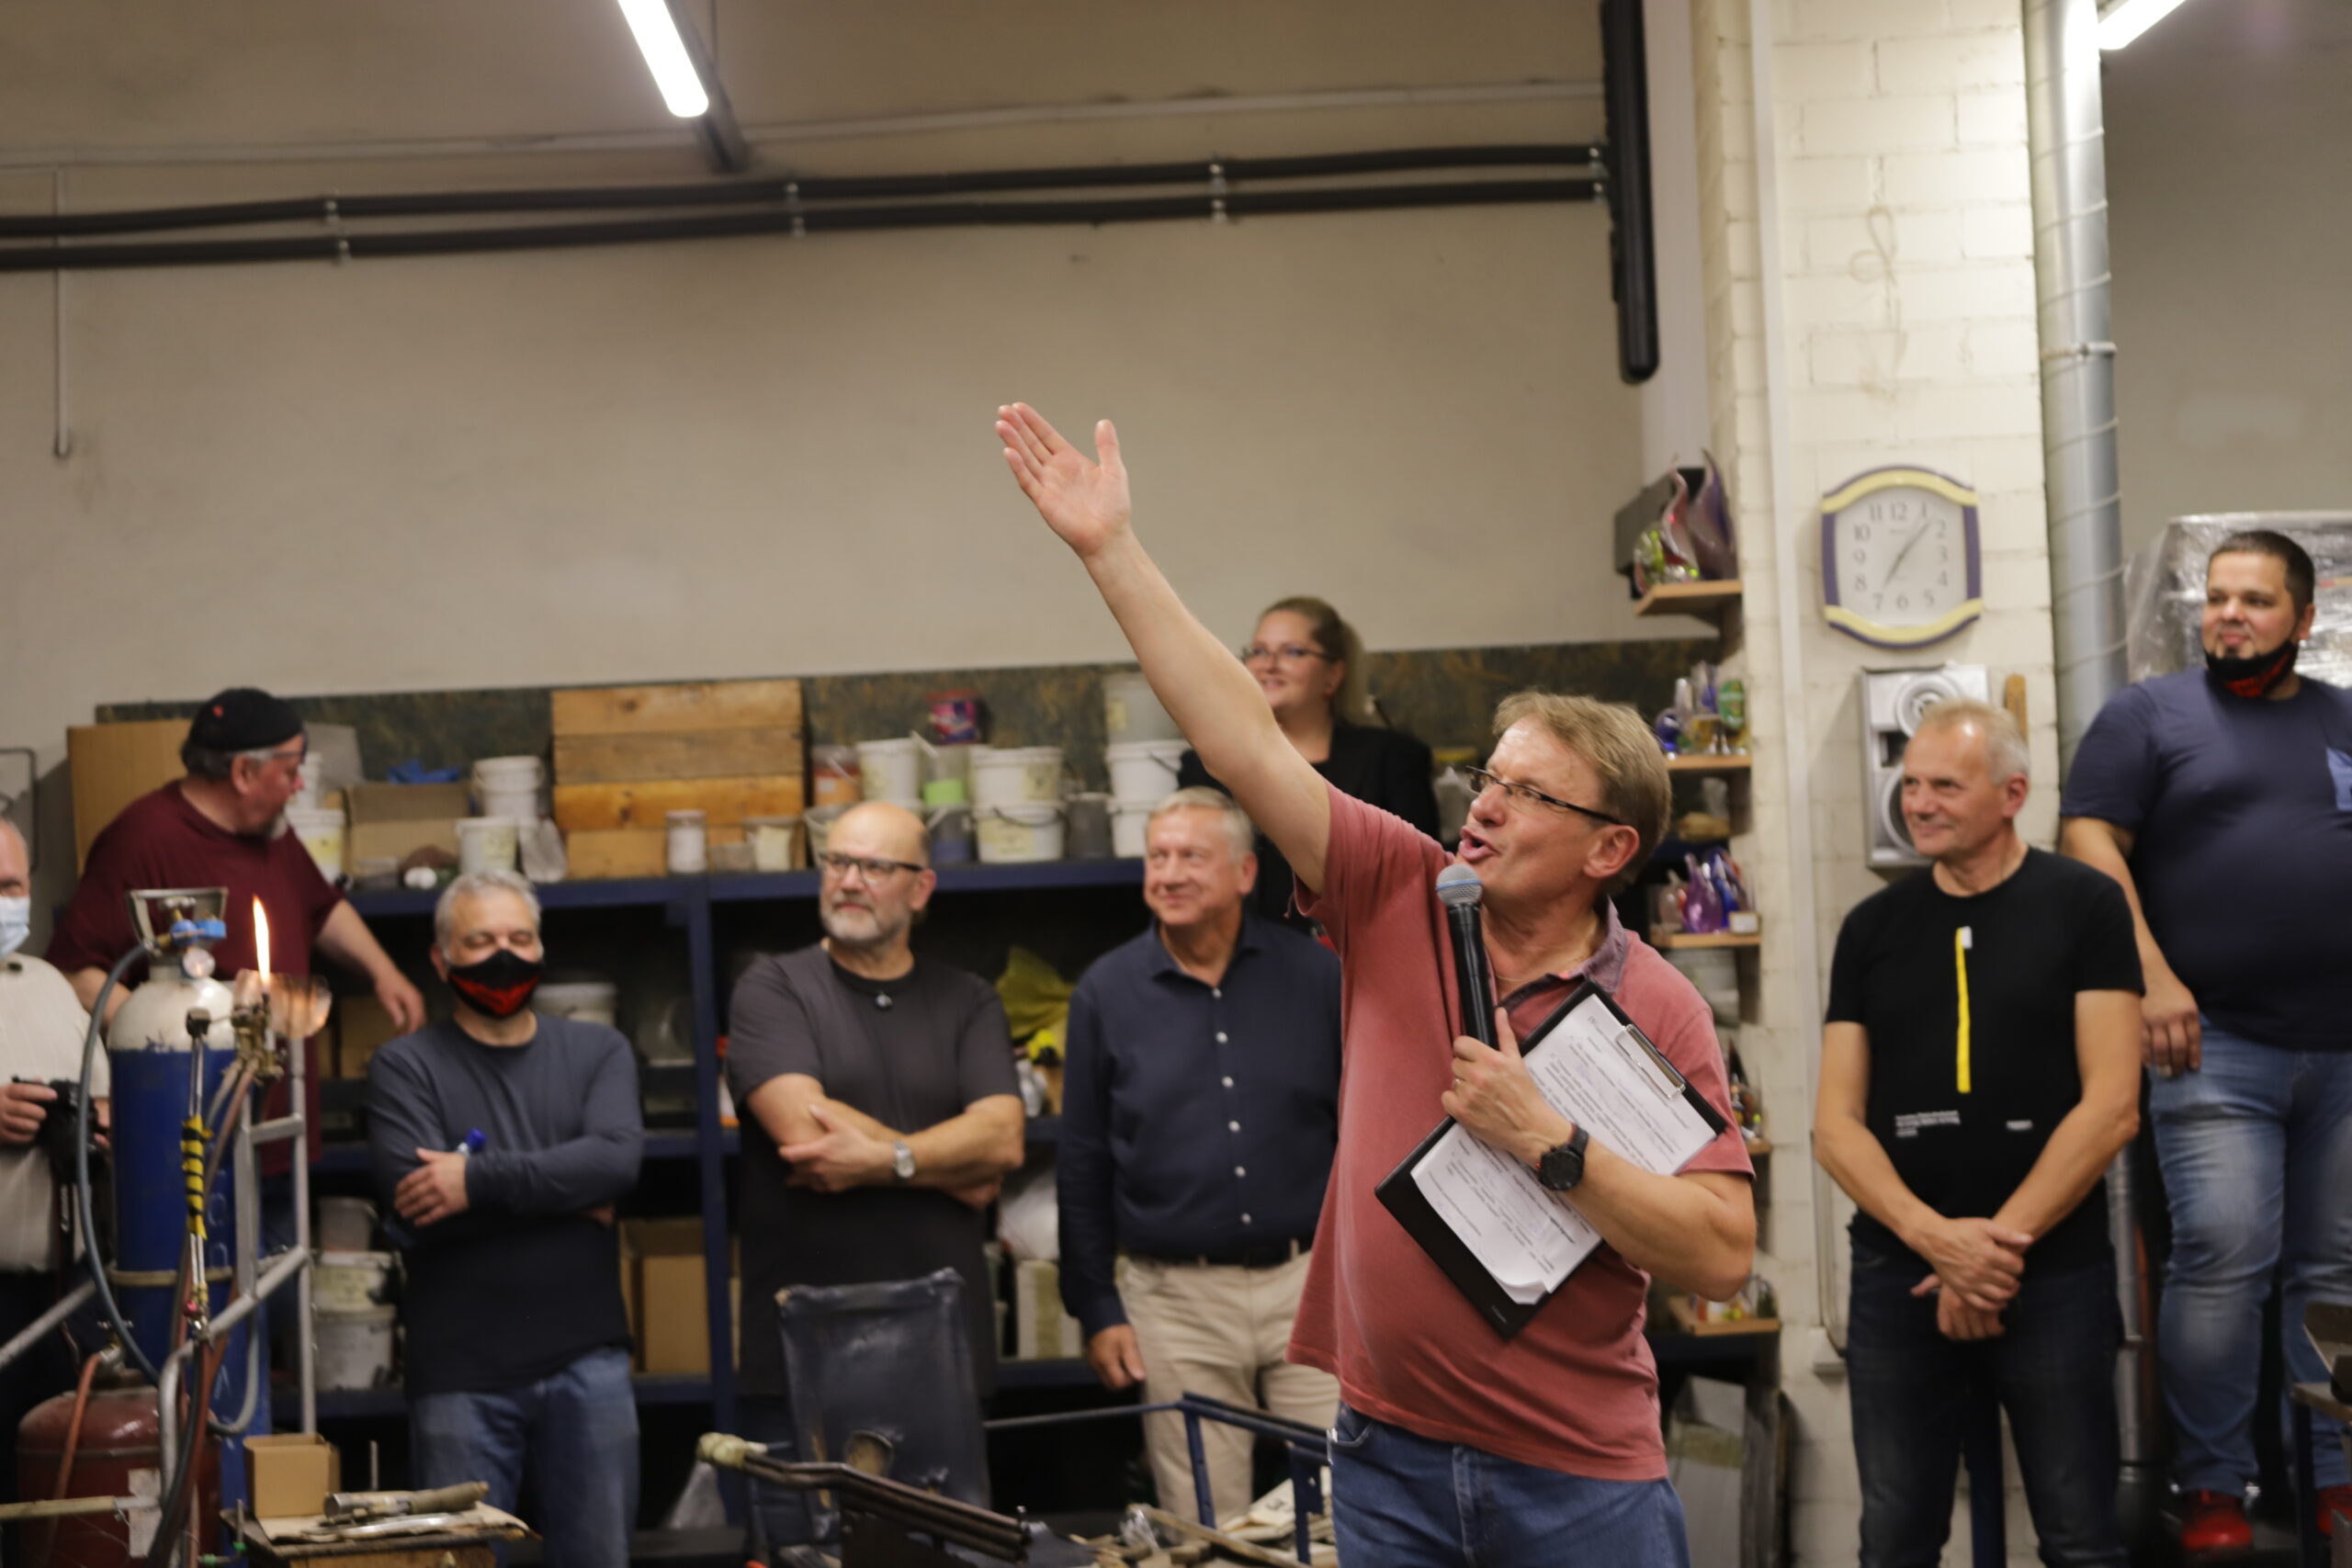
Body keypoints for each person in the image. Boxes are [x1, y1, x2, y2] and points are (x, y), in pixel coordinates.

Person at [996, 404, 1752, 1568]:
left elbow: (1719, 1255)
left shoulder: (1656, 1006)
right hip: (1385, 1463)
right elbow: (1243, 740)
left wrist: (1552, 1142)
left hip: (1576, 1478)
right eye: (1486, 779)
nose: (1483, 807)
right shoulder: (1403, 891)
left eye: (1527, 795)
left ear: (1610, 848)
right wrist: (1111, 550)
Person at [2060, 528, 2352, 1552]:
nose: (2229, 615)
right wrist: (2149, 973)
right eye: (2217, 597)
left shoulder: (2343, 718)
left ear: (2302, 617)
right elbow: (2089, 840)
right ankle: (2214, 1486)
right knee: (2225, 1255)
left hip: (2345, 1052)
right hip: (2212, 1042)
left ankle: (2334, 1478)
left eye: (2255, 600)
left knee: (2336, 1272)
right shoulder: (2149, 716)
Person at [1814, 700, 2143, 1568]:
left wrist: (1989, 1253)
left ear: (2013, 794)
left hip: (2054, 1270)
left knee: (2080, 1537)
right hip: (1899, 1274)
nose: (1918, 803)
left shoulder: (2087, 905)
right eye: (1910, 785)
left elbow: (2114, 1103)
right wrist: (1937, 1242)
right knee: (1894, 1540)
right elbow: (1835, 1126)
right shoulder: (1871, 928)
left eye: (1945, 787)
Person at [724, 801, 1024, 1548]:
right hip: (801, 1359)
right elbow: (807, 1132)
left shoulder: (969, 999)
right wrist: (948, 1168)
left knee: (946, 1563)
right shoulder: (772, 989)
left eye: (874, 866)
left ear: (921, 888)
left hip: (939, 1360)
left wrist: (889, 1159)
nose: (849, 880)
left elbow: (1003, 1138)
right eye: (837, 861)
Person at [1057, 786, 1343, 1524]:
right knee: (1203, 1524)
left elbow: (1366, 1129)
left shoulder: (1318, 975)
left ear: (1246, 873)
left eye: (1191, 855)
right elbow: (1083, 1159)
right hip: (1175, 1301)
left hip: (1312, 1284)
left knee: (1344, 1512)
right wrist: (1096, 1304)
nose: (1169, 873)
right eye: (1157, 856)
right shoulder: (1104, 992)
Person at [367, 870, 642, 1568]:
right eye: (481, 940)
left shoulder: (599, 1051)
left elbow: (616, 1164)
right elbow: (417, 1205)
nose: (504, 955)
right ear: (441, 959)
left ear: (541, 948)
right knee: (462, 1562)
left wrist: (475, 1180)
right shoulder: (404, 1066)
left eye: (520, 938)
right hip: (459, 1375)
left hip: (589, 1363)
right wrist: (568, 1193)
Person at [48, 688, 426, 1177]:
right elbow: (76, 973)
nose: (297, 787)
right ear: (243, 772)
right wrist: (179, 1041)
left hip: (281, 1126)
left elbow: (322, 906)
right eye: (290, 771)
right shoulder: (142, 838)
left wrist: (384, 972)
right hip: (200, 1138)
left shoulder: (270, 830)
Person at [1176, 594, 1440, 929]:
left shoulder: (1393, 758)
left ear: (1333, 674)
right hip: (1247, 952)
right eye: (1258, 651)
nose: (1269, 665)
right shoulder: (1208, 764)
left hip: (1362, 946)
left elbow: (1417, 876)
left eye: (1293, 652)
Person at [0, 818, 108, 1511]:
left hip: (66, 1293)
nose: (3, 902)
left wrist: (102, 1119)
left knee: (60, 1498)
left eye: (11, 886)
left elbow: (103, 1099)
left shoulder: (44, 984)